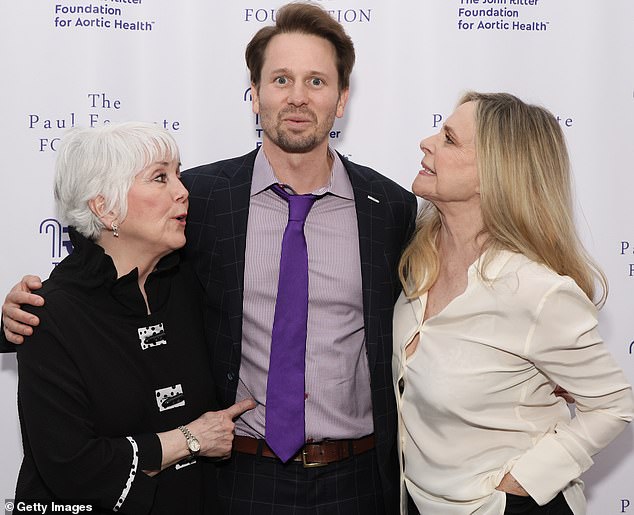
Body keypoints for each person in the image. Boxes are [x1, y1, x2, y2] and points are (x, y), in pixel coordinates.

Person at [2, 3, 418, 514]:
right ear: (255, 93)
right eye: (281, 79)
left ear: (342, 97)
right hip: (231, 477)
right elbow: (108, 264)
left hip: (357, 478)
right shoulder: (200, 198)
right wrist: (19, 316)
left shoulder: (390, 208)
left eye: (316, 81)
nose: (297, 97)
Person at [392, 92, 634, 515]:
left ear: (495, 172)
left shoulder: (535, 291)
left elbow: (616, 404)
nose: (426, 142)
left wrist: (522, 482)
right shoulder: (415, 257)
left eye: (449, 139)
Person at [7, 122, 254, 514]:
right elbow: (72, 467)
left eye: (177, 173)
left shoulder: (189, 282)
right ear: (105, 208)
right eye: (160, 177)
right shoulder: (48, 314)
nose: (182, 190)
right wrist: (191, 439)